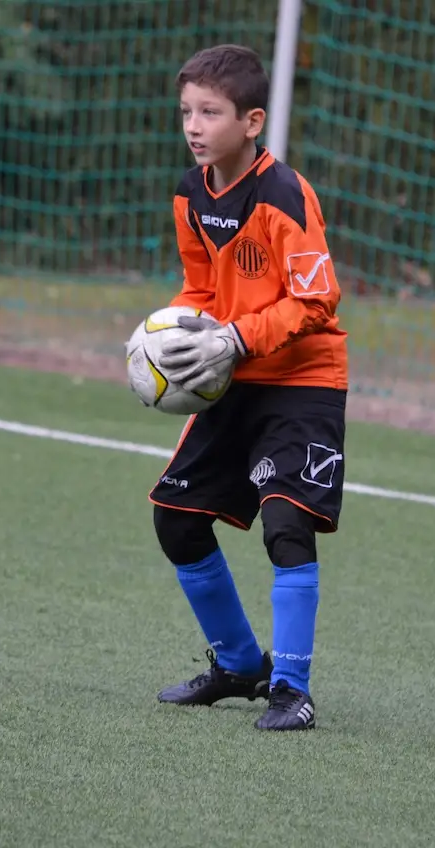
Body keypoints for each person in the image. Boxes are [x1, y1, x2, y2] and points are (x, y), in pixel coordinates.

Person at [143, 44, 349, 732]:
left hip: (301, 380)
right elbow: (201, 287)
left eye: (210, 112)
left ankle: (292, 690)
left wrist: (235, 337)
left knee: (286, 523)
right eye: (186, 112)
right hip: (232, 377)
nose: (193, 126)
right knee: (176, 520)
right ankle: (238, 666)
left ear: (252, 121)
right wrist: (172, 336)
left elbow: (316, 301)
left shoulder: (283, 194)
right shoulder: (190, 193)